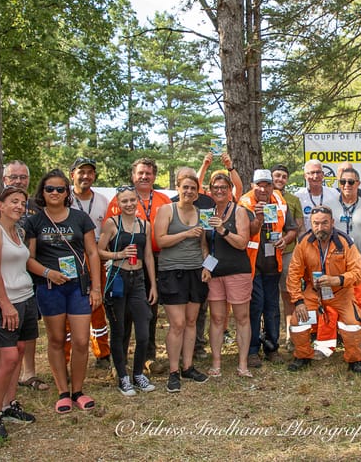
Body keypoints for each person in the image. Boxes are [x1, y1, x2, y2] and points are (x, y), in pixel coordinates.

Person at [24, 169, 102, 413]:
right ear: (42, 193)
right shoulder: (34, 221)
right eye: (50, 189)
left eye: (60, 189)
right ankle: (62, 392)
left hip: (78, 287)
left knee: (80, 341)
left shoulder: (80, 218)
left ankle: (78, 390)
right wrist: (48, 273)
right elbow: (28, 258)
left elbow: (92, 253)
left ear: (67, 192)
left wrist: (96, 287)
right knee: (57, 340)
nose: (55, 193)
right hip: (49, 288)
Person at [0, 160, 47, 392]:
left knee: (28, 327)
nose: (18, 181)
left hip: (28, 275)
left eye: (22, 177)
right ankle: (2, 373)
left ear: (28, 179)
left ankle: (29, 373)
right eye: (13, 177)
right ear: (4, 180)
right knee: (1, 328)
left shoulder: (36, 206)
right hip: (0, 278)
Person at [0, 186, 37, 440]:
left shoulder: (18, 231)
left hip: (26, 297)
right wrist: (5, 305)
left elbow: (21, 263)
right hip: (5, 302)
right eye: (14, 201)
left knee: (21, 350)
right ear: (0, 205)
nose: (19, 206)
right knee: (10, 358)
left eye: (23, 203)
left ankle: (9, 404)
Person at [104, 158, 171, 375]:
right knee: (122, 314)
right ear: (133, 176)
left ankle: (148, 357)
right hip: (123, 262)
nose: (144, 177)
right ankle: (120, 361)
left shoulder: (162, 200)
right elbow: (107, 233)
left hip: (154, 257)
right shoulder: (119, 200)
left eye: (149, 173)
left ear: (154, 176)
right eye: (140, 173)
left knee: (148, 310)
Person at [286, 206, 361, 375]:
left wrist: (337, 280)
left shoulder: (345, 242)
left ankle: (354, 360)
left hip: (341, 292)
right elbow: (293, 273)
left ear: (332, 222)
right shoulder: (304, 242)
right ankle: (303, 356)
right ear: (311, 223)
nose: (320, 227)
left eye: (324, 223)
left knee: (352, 324)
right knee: (297, 322)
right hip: (314, 292)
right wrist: (298, 301)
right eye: (316, 223)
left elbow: (358, 272)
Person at [97, 185, 157, 396]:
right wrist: (119, 254)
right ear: (118, 204)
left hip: (139, 280)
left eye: (133, 200)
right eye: (125, 201)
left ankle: (138, 373)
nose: (130, 204)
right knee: (119, 330)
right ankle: (122, 376)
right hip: (118, 279)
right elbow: (99, 251)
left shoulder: (145, 225)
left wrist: (153, 286)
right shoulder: (112, 224)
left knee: (143, 332)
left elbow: (148, 256)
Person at [155, 169, 210, 392]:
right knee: (177, 323)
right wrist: (185, 234)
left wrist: (207, 266)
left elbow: (204, 245)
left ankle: (188, 367)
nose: (188, 191)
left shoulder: (201, 212)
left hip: (196, 271)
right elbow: (160, 241)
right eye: (185, 187)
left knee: (191, 322)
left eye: (193, 188)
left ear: (197, 193)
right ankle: (173, 370)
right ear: (178, 189)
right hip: (172, 271)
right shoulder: (166, 210)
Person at [315, 167, 361, 359]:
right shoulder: (329, 204)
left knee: (360, 303)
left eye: (351, 182)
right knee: (329, 303)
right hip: (334, 263)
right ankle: (325, 345)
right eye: (343, 182)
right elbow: (320, 232)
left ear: (358, 183)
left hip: (360, 263)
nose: (347, 185)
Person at [240, 169, 299, 368]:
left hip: (274, 262)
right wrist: (258, 219)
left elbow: (292, 229)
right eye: (259, 185)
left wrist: (285, 240)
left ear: (272, 186)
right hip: (252, 264)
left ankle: (272, 348)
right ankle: (252, 350)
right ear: (252, 186)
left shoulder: (280, 202)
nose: (263, 189)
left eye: (267, 184)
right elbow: (247, 232)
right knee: (256, 306)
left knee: (272, 307)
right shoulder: (244, 203)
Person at [200, 172, 253, 377]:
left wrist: (223, 230)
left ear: (230, 189)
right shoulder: (207, 212)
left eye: (223, 187)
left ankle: (243, 364)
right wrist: (206, 265)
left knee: (241, 317)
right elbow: (204, 244)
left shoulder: (239, 211)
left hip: (237, 271)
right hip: (214, 273)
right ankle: (216, 364)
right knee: (216, 318)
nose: (219, 191)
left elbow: (242, 243)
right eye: (215, 188)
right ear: (210, 190)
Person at [68, 158, 111, 369]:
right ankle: (66, 355)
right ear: (72, 175)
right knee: (68, 305)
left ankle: (102, 352)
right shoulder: (62, 197)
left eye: (90, 172)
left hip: (95, 255)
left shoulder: (102, 200)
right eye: (81, 172)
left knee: (97, 303)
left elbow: (108, 230)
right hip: (68, 256)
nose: (86, 176)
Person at [271, 164, 304, 349]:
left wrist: (285, 239)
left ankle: (291, 336)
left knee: (288, 296)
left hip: (287, 253)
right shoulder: (261, 196)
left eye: (284, 176)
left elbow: (297, 227)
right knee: (269, 298)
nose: (280, 179)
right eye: (277, 175)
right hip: (265, 256)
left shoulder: (293, 200)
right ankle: (269, 335)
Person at [295, 159, 343, 232]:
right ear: (305, 176)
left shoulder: (334, 194)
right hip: (308, 240)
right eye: (311, 173)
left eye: (318, 172)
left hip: (330, 240)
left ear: (323, 174)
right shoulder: (298, 196)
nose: (315, 176)